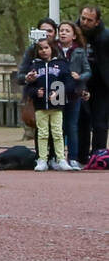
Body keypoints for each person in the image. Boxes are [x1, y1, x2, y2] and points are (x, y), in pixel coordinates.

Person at [25, 37, 74, 171]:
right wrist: (36, 92)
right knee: (42, 133)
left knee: (58, 132)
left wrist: (58, 92)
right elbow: (29, 87)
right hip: (40, 106)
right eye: (40, 49)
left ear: (52, 48)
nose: (44, 51)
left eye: (46, 48)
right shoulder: (34, 65)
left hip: (57, 104)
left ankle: (61, 159)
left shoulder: (62, 64)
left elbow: (69, 83)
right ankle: (42, 159)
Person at [55, 21, 89, 167]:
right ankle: (58, 157)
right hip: (57, 92)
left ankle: (73, 158)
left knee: (72, 126)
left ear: (74, 35)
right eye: (61, 30)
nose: (63, 33)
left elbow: (88, 71)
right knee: (58, 127)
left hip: (74, 93)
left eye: (67, 31)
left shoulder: (80, 52)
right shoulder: (53, 49)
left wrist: (79, 77)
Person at [78, 5, 109, 155]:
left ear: (97, 22)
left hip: (101, 86)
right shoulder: (74, 34)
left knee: (100, 122)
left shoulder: (105, 36)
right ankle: (81, 155)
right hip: (81, 85)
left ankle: (98, 154)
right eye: (83, 18)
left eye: (89, 20)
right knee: (81, 121)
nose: (84, 22)